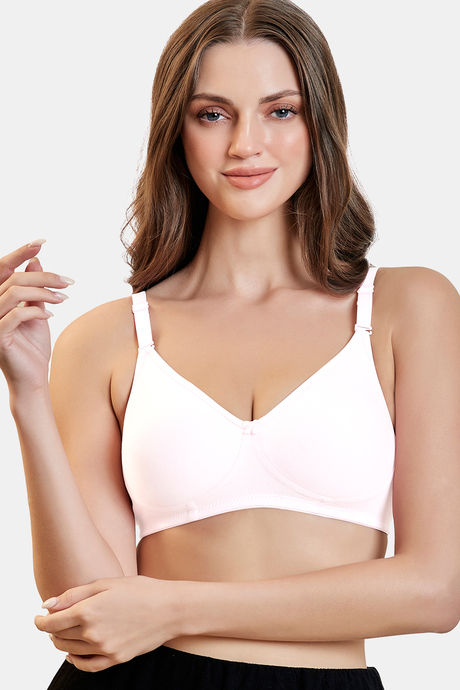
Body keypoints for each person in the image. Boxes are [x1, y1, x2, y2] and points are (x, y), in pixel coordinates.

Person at [1, 0, 459, 688]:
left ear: (321, 123)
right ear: (177, 131)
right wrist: (26, 393)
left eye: (281, 111)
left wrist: (172, 607)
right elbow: (90, 614)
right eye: (213, 114)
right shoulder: (106, 339)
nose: (246, 143)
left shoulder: (409, 309)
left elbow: (435, 592)